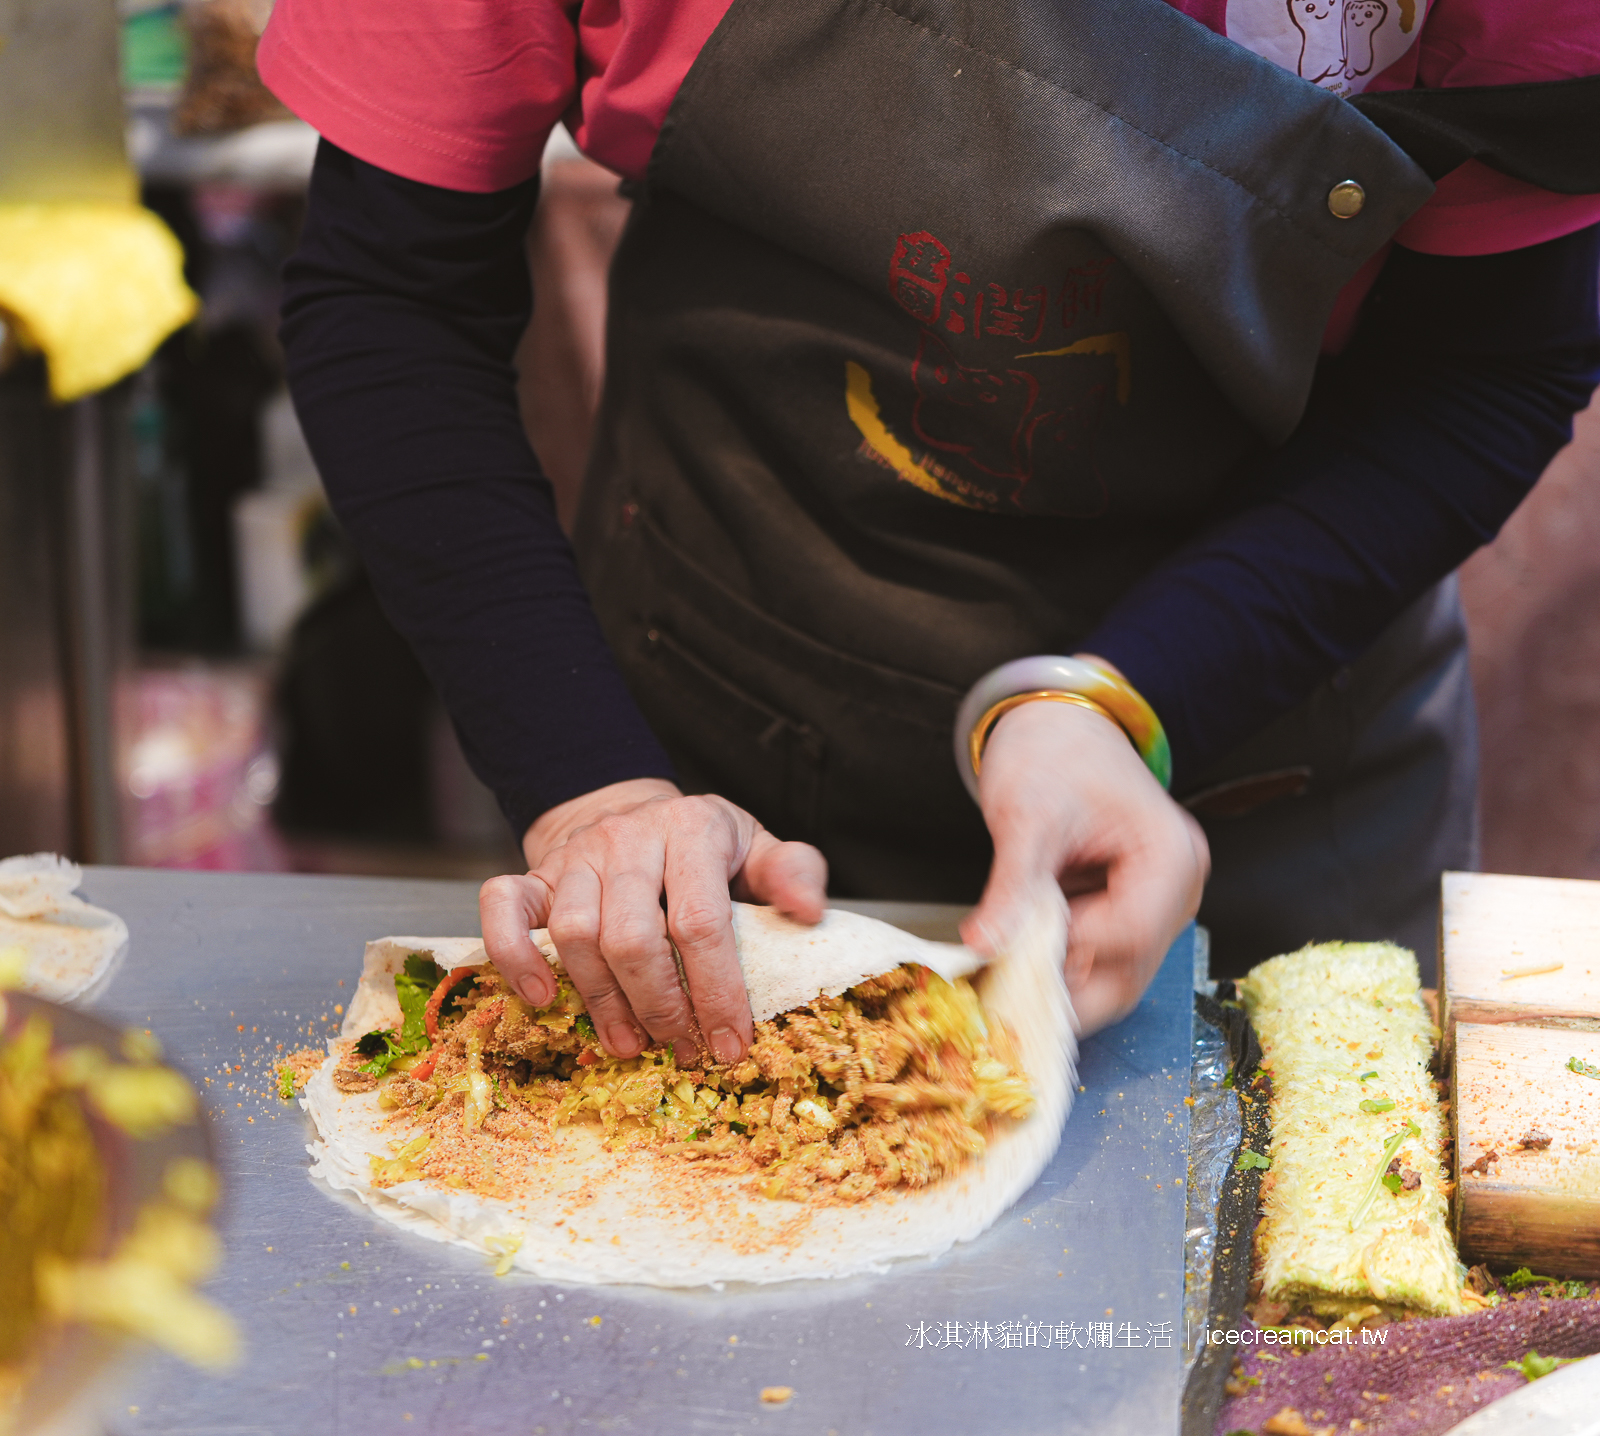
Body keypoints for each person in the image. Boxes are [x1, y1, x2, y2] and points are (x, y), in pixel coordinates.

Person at [261, 0, 1600, 1062]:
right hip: (723, 756)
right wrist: (592, 789)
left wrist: (1119, 701)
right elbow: (393, 297)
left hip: (1261, 757)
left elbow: (1485, 364)